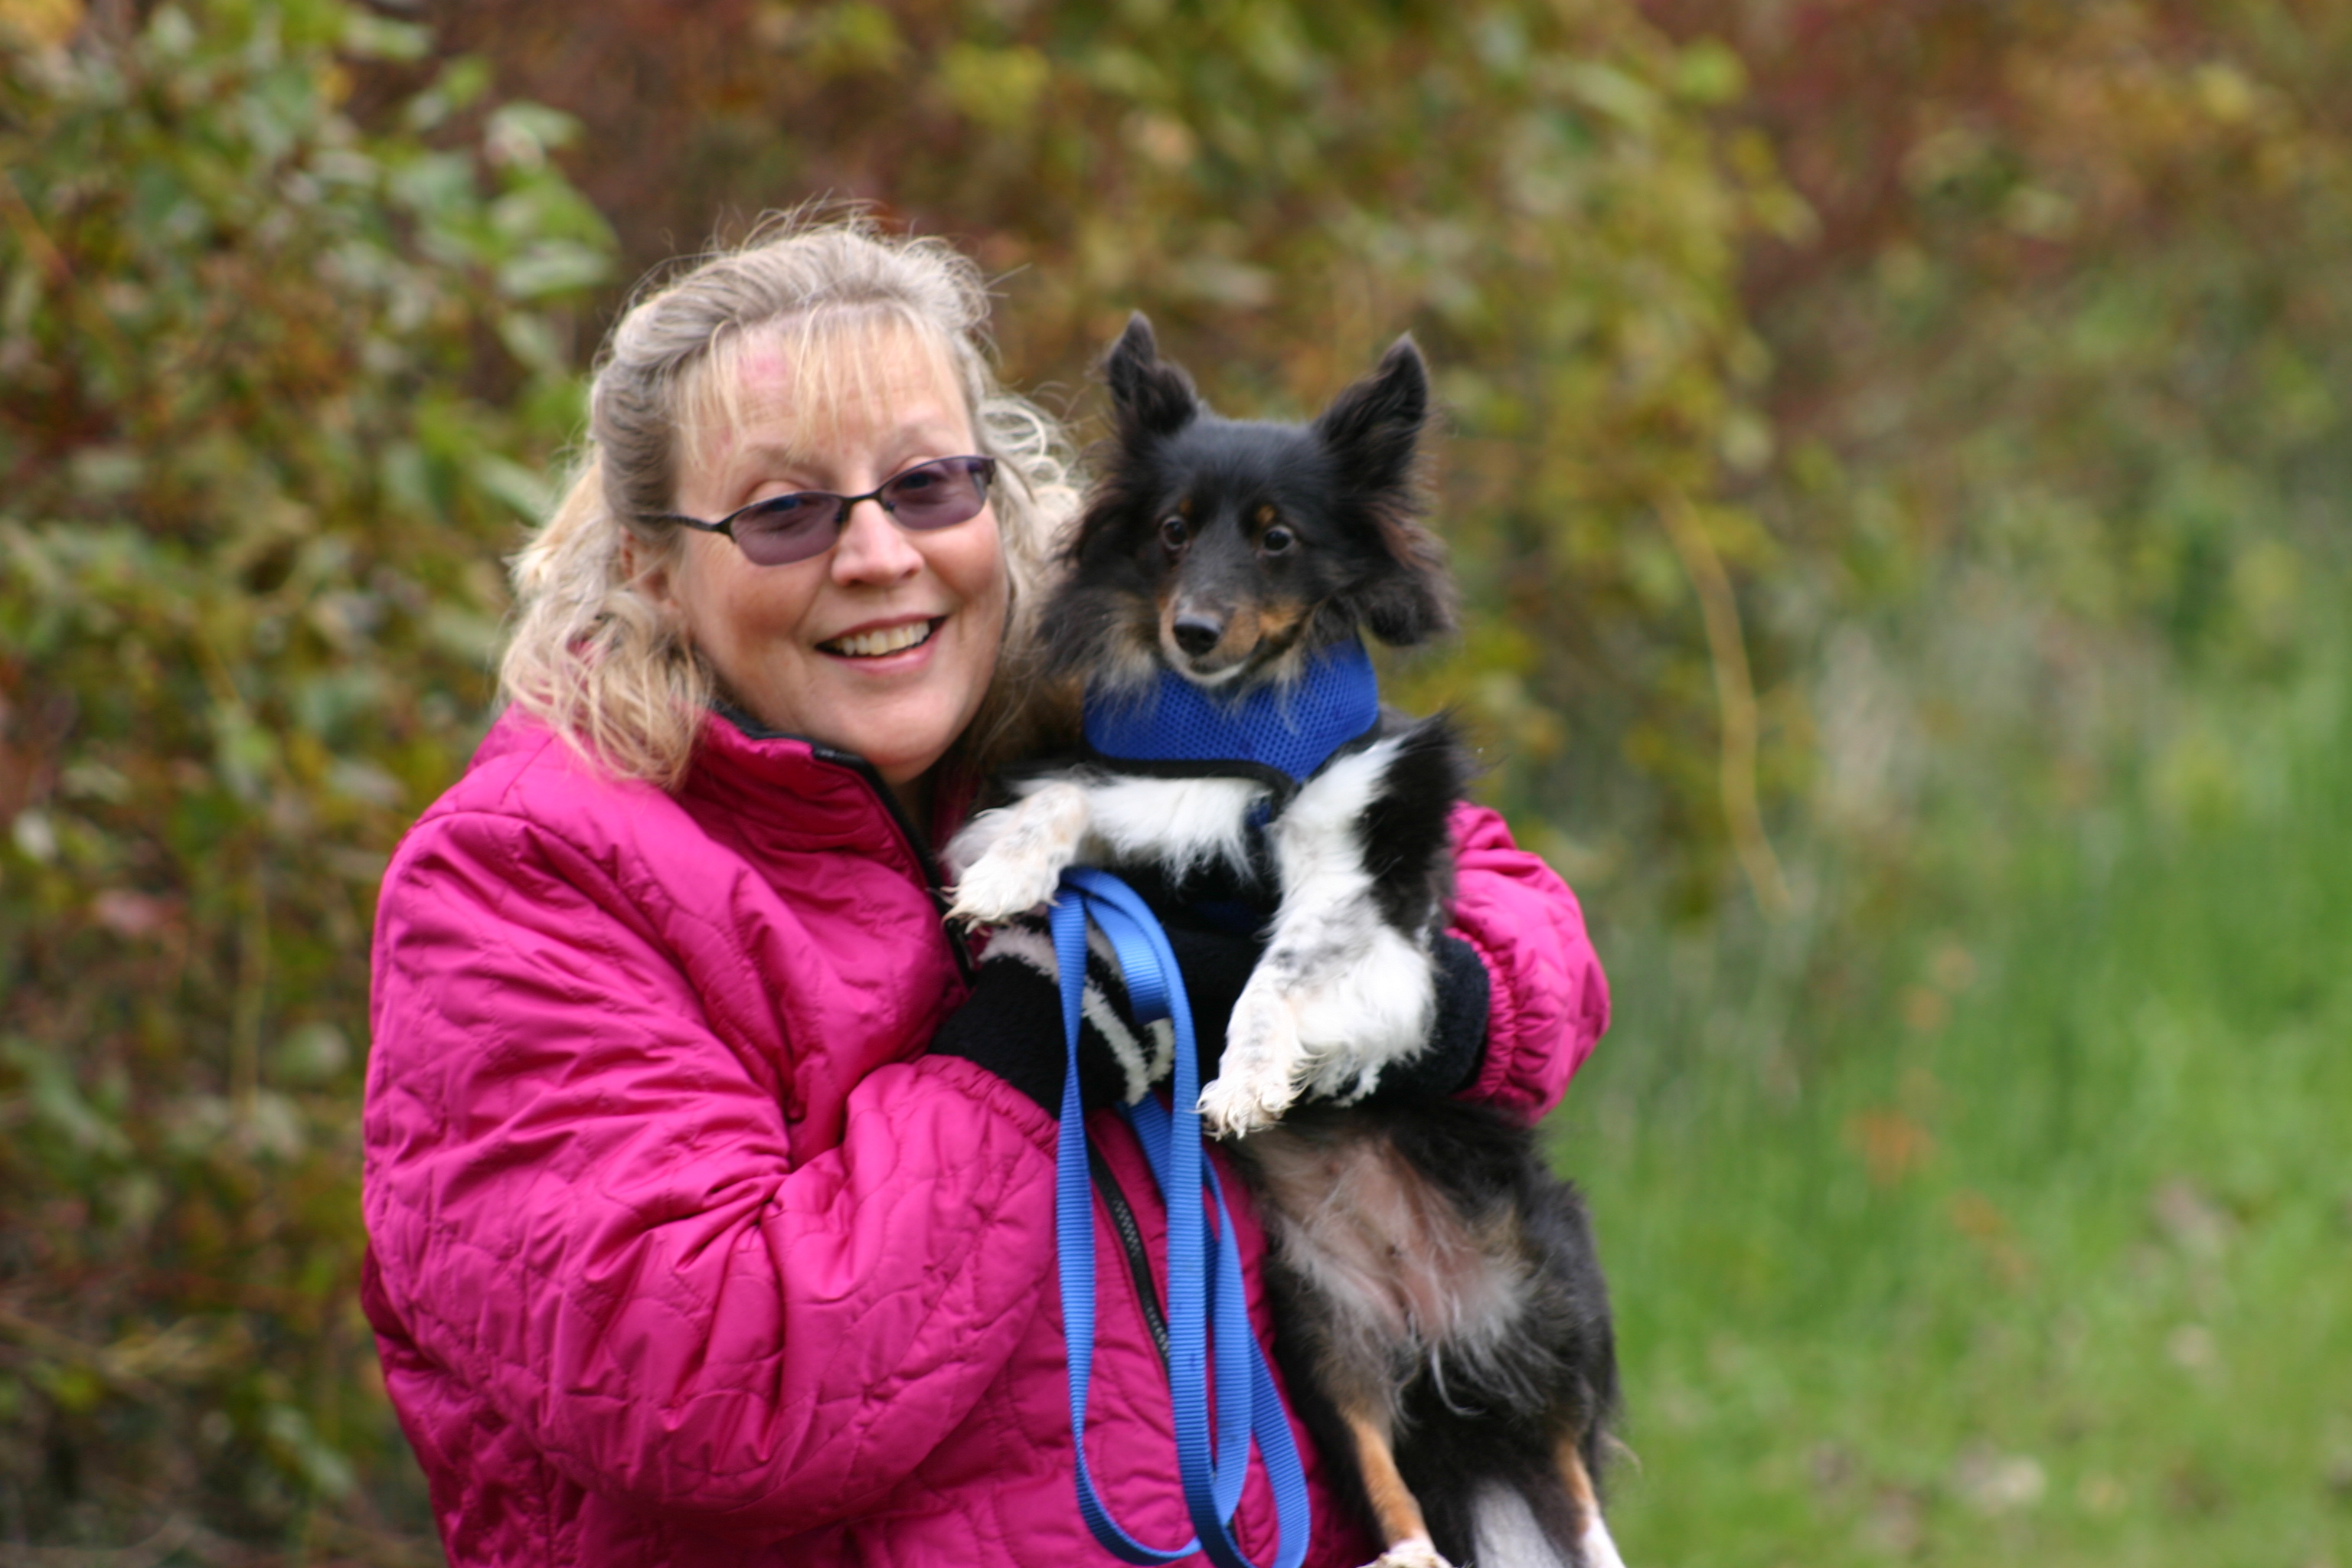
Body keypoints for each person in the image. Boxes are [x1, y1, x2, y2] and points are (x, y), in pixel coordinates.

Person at [359, 215, 1611, 1568]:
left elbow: (1516, 914)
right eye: (783, 513)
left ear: (993, 496)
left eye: (924, 486)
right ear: (650, 562)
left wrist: (1427, 1010)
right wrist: (1023, 1042)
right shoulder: (527, 877)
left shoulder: (1106, 710)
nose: (877, 555)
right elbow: (712, 1385)